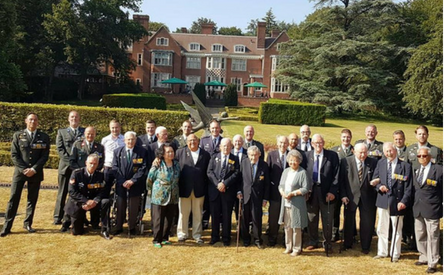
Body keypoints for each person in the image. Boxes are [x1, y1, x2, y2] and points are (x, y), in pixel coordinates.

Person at [0, 113, 50, 237]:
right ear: (26, 121)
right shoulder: (18, 136)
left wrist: (34, 169)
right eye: (31, 119)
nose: (33, 122)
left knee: (32, 200)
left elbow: (44, 156)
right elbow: (14, 155)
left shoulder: (44, 137)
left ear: (38, 122)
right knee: (13, 198)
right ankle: (7, 226)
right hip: (20, 173)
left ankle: (28, 223)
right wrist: (24, 169)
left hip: (36, 173)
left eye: (35, 120)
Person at [372, 142, 412, 262]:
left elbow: (408, 187)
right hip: (383, 199)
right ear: (384, 152)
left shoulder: (405, 166)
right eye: (387, 151)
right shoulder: (381, 163)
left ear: (396, 151)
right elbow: (375, 180)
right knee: (381, 227)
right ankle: (382, 251)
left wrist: (404, 201)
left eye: (391, 150)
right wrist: (379, 187)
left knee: (396, 228)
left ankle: (395, 253)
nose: (389, 153)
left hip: (397, 201)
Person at [339, 143, 378, 254]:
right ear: (354, 151)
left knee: (367, 222)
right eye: (360, 152)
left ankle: (365, 246)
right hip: (350, 196)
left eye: (365, 152)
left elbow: (376, 177)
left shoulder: (373, 162)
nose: (363, 154)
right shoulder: (345, 162)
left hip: (368, 197)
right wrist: (343, 195)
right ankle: (348, 243)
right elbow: (341, 181)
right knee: (349, 221)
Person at [305, 134, 339, 253]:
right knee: (312, 217)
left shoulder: (332, 156)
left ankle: (327, 242)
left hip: (327, 192)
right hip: (311, 192)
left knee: (327, 218)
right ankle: (313, 241)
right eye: (315, 143)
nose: (318, 145)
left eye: (320, 142)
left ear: (323, 143)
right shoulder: (306, 156)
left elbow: (336, 175)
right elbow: (303, 174)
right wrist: (306, 189)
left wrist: (332, 191)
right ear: (312, 144)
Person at [64, 154, 110, 239]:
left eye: (95, 164)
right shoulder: (77, 173)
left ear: (98, 164)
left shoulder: (100, 175)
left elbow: (103, 191)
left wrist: (95, 201)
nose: (92, 165)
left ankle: (103, 228)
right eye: (90, 163)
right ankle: (77, 222)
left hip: (93, 203)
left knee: (105, 202)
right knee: (77, 232)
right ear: (86, 163)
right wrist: (85, 201)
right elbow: (72, 191)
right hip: (79, 203)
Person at [412, 147, 443, 274]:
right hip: (418, 208)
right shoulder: (417, 170)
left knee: (433, 236)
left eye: (424, 156)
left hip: (432, 208)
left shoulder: (440, 170)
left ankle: (433, 262)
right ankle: (424, 256)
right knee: (420, 234)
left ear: (430, 157)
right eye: (419, 156)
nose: (421, 158)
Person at [175, 134, 211, 244]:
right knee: (183, 213)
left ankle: (197, 235)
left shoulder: (205, 154)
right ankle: (182, 234)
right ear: (186, 142)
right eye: (190, 140)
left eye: (194, 140)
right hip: (184, 188)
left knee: (198, 213)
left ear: (199, 141)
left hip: (199, 189)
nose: (192, 142)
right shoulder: (180, 152)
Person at [112, 131, 148, 236]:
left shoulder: (142, 152)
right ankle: (119, 226)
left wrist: (133, 180)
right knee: (120, 205)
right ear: (124, 140)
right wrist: (122, 181)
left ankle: (132, 227)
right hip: (121, 183)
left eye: (132, 139)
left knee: (133, 206)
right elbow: (115, 168)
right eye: (128, 139)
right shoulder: (117, 152)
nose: (130, 141)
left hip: (135, 184)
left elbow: (143, 168)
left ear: (136, 140)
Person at [207, 138, 240, 246]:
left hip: (228, 191)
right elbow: (209, 172)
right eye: (224, 146)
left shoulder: (235, 159)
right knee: (215, 215)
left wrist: (225, 183)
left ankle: (226, 238)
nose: (226, 148)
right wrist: (218, 184)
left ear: (231, 147)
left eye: (228, 146)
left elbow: (236, 173)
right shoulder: (214, 157)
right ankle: (214, 237)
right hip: (215, 191)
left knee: (227, 215)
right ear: (220, 147)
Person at [53, 111, 85, 225]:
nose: (74, 119)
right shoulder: (61, 132)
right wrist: (72, 163)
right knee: (62, 193)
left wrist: (78, 166)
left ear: (79, 119)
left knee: (79, 193)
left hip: (80, 169)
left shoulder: (85, 132)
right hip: (65, 168)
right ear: (68, 119)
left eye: (76, 117)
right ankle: (57, 217)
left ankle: (78, 216)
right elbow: (60, 150)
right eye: (72, 117)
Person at [147, 143, 180, 248]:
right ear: (163, 154)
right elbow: (150, 179)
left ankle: (165, 238)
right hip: (159, 195)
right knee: (158, 219)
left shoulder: (176, 164)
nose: (170, 154)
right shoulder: (158, 164)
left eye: (172, 151)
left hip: (173, 194)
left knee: (169, 217)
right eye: (168, 152)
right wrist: (153, 190)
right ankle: (157, 239)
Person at [278, 150, 309, 256]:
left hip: (297, 203)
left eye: (295, 161)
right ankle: (288, 247)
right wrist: (282, 192)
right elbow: (280, 185)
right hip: (285, 202)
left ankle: (297, 248)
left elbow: (306, 188)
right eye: (291, 160)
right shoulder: (285, 171)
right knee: (287, 226)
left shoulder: (302, 172)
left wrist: (293, 193)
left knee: (296, 226)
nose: (292, 163)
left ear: (299, 161)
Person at [238, 146, 270, 249]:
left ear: (259, 155)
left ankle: (257, 240)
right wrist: (239, 191)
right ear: (248, 155)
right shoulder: (244, 163)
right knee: (244, 219)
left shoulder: (264, 165)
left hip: (258, 197)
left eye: (255, 155)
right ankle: (246, 239)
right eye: (251, 155)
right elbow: (239, 179)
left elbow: (267, 184)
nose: (253, 157)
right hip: (245, 195)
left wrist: (265, 198)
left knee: (257, 219)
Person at [330, 128, 354, 242]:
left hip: (349, 185)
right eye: (344, 137)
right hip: (337, 185)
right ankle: (334, 232)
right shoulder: (334, 151)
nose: (346, 139)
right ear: (341, 138)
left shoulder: (355, 150)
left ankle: (349, 233)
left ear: (351, 138)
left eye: (348, 137)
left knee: (349, 211)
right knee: (335, 210)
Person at [266, 135, 289, 247]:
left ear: (288, 144)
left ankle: (286, 239)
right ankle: (272, 238)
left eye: (285, 143)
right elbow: (268, 174)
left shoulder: (291, 155)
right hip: (275, 192)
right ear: (277, 143)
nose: (282, 145)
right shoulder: (271, 155)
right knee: (273, 217)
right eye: (280, 142)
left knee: (287, 217)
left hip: (288, 193)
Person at [101, 119, 125, 188]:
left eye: (116, 127)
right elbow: (102, 153)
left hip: (120, 168)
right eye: (113, 128)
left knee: (120, 188)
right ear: (110, 128)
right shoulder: (105, 139)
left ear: (120, 128)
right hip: (108, 167)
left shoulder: (124, 139)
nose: (115, 129)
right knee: (106, 188)